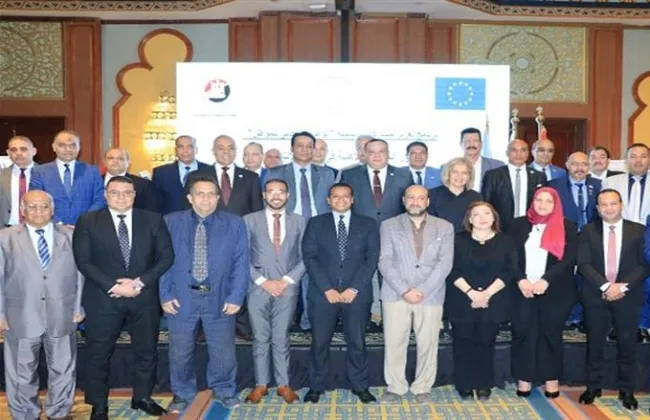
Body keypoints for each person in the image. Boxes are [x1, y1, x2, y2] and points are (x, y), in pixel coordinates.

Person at [73, 176, 174, 420]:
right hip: (103, 298)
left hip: (143, 297)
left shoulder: (152, 219)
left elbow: (166, 257)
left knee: (146, 351)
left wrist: (139, 282)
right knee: (98, 353)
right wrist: (114, 286)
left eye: (127, 192)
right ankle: (99, 405)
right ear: (105, 195)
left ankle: (142, 397)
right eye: (115, 192)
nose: (121, 197)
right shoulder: (88, 221)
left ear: (134, 195)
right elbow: (83, 261)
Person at [160, 175, 249, 412]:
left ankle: (224, 390)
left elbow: (241, 262)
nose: (206, 199)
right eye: (200, 194)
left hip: (219, 298)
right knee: (180, 351)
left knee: (223, 352)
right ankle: (182, 392)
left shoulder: (234, 223)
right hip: (181, 297)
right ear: (190, 198)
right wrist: (165, 294)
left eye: (211, 194)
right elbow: (162, 261)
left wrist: (236, 296)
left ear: (218, 198)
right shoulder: (170, 222)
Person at [0, 190, 84, 420]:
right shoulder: (5, 238)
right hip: (20, 316)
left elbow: (81, 275)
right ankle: (26, 413)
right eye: (32, 206)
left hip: (63, 314)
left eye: (44, 206)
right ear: (22, 210)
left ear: (52, 209)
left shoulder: (71, 235)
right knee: (21, 372)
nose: (39, 211)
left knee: (63, 369)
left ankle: (59, 412)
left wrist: (79, 307)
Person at [302, 183, 380, 404]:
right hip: (322, 294)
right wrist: (327, 288)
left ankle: (360, 385)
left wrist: (354, 288)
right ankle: (316, 386)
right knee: (319, 343)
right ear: (328, 200)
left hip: (356, 294)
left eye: (345, 196)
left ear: (352, 199)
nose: (341, 200)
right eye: (335, 196)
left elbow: (372, 258)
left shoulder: (368, 224)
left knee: (357, 342)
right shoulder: (316, 223)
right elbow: (310, 257)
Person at [378, 185, 454, 403]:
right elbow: (385, 260)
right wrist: (404, 290)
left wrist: (423, 290)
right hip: (396, 293)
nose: (415, 201)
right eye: (410, 197)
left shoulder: (444, 227)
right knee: (394, 343)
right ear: (403, 200)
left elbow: (445, 263)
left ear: (427, 201)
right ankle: (396, 386)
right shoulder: (388, 225)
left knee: (428, 343)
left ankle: (422, 387)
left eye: (420, 198)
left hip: (430, 294)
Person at [578, 189, 650, 410]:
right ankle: (593, 386)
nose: (609, 208)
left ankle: (626, 390)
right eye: (604, 204)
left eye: (613, 203)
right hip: (596, 295)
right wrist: (606, 286)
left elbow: (645, 264)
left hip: (627, 295)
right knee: (595, 344)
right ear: (597, 209)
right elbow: (584, 263)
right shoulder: (588, 230)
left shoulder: (639, 230)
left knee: (627, 345)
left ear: (621, 205)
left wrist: (622, 287)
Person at [188, 134, 262, 340]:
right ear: (213, 151)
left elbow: (256, 211)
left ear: (236, 151)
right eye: (220, 148)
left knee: (238, 279)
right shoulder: (198, 175)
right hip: (205, 237)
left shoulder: (250, 177)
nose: (226, 152)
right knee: (207, 281)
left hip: (240, 238)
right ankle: (203, 326)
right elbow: (191, 208)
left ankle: (240, 324)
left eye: (230, 148)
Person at [508, 188, 578, 399]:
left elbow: (569, 258)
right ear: (533, 201)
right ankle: (524, 377)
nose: (543, 204)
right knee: (523, 332)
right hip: (522, 288)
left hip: (555, 289)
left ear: (556, 204)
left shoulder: (567, 226)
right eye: (539, 199)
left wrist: (546, 280)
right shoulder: (518, 224)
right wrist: (520, 279)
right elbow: (509, 256)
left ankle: (551, 378)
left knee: (551, 333)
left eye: (549, 201)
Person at [446, 201, 517, 400]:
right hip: (462, 299)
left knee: (486, 342)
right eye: (476, 214)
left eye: (487, 213)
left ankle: (484, 383)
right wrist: (472, 293)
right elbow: (451, 268)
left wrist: (486, 294)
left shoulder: (506, 241)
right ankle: (464, 383)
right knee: (463, 342)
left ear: (494, 217)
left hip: (493, 300)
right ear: (469, 219)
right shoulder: (457, 240)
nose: (482, 218)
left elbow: (510, 270)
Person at [243, 179, 306, 404]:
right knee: (260, 337)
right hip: (257, 287)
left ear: (288, 195)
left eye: (281, 192)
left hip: (287, 289)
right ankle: (260, 385)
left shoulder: (299, 221)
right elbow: (241, 255)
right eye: (271, 192)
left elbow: (306, 256)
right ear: (264, 195)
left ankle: (283, 384)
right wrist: (262, 281)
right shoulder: (249, 220)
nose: (276, 196)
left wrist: (287, 280)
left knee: (281, 337)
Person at [339, 139, 412, 324]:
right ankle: (363, 320)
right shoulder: (350, 175)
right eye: (372, 152)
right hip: (359, 236)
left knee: (391, 278)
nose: (377, 155)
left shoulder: (403, 175)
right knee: (361, 278)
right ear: (364, 154)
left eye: (382, 151)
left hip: (394, 236)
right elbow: (342, 206)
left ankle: (390, 320)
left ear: (388, 153)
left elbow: (409, 206)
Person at [268, 131, 335, 330]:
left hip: (318, 230)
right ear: (292, 149)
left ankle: (309, 321)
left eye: (309, 146)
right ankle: (283, 322)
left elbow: (333, 204)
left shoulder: (327, 174)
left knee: (314, 276)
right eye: (300, 145)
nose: (305, 150)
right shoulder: (275, 173)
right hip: (287, 230)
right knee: (286, 275)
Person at [30, 130, 105, 226]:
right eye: (62, 145)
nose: (68, 149)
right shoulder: (39, 171)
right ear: (54, 147)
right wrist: (59, 223)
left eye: (73, 145)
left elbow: (100, 200)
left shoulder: (92, 171)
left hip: (85, 227)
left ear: (79, 148)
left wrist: (83, 222)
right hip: (52, 227)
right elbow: (35, 200)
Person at [481, 139, 546, 231]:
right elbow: (485, 203)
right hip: (500, 228)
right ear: (507, 153)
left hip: (530, 228)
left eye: (523, 150)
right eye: (514, 150)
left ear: (528, 153)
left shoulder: (539, 176)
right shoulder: (493, 175)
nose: (519, 154)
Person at [151, 135, 211, 215]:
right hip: (170, 220)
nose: (185, 151)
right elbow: (155, 202)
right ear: (175, 150)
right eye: (181, 147)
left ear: (196, 150)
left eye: (189, 147)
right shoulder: (161, 173)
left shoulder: (209, 170)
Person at [428, 157, 482, 232]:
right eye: (455, 172)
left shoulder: (476, 197)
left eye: (464, 173)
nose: (459, 176)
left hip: (468, 238)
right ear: (448, 174)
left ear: (469, 176)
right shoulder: (432, 195)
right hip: (440, 237)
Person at [103, 148, 160, 212]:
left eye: (120, 158)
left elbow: (151, 212)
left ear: (128, 163)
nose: (115, 161)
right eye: (110, 158)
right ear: (104, 162)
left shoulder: (144, 185)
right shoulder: (96, 182)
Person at [0, 135, 38, 227]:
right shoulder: (1, 175)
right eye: (13, 150)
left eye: (23, 149)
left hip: (37, 228)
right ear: (8, 153)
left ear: (34, 151)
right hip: (5, 229)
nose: (18, 153)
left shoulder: (46, 174)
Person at [459, 127, 504, 192]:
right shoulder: (448, 167)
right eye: (467, 141)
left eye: (475, 141)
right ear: (461, 144)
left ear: (481, 144)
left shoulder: (497, 166)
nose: (471, 144)